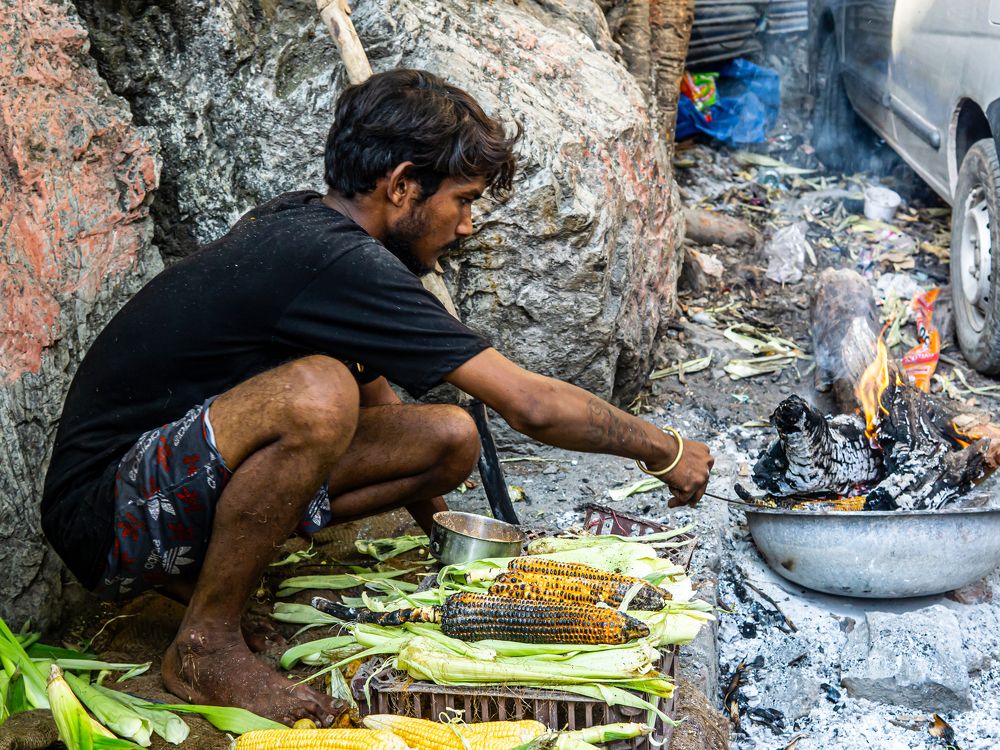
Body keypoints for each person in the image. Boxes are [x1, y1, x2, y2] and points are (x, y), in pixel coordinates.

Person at [41, 69, 714, 727]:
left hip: (165, 499)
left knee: (448, 436)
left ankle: (199, 581)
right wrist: (664, 449)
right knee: (318, 393)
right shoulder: (333, 258)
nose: (467, 225)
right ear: (401, 187)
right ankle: (204, 645)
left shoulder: (319, 233)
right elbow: (529, 404)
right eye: (464, 199)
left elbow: (386, 411)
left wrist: (453, 547)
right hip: (104, 514)